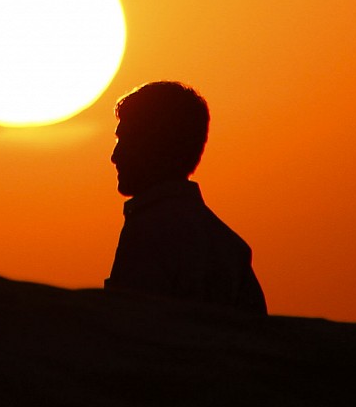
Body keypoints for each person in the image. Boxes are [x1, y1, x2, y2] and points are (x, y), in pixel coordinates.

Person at [104, 80, 267, 313]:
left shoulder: (149, 233)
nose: (115, 156)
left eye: (126, 140)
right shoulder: (230, 249)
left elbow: (131, 331)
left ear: (154, 146)